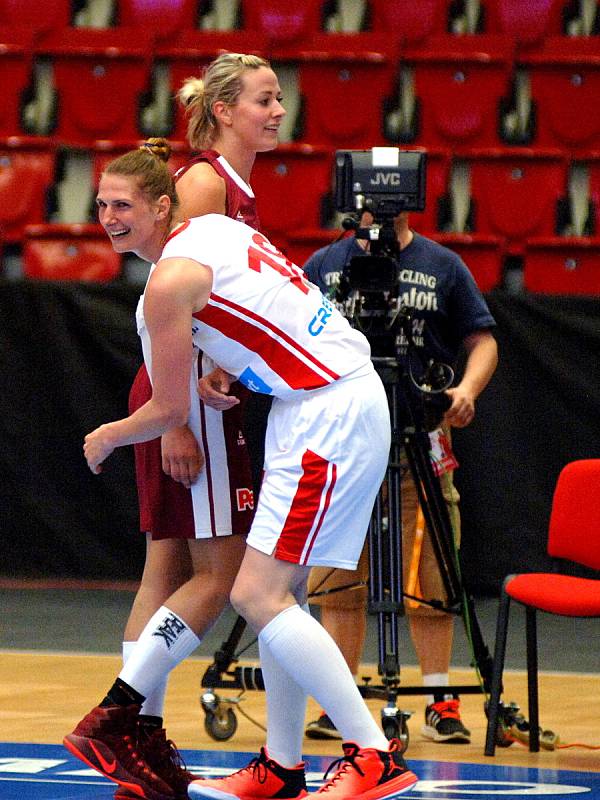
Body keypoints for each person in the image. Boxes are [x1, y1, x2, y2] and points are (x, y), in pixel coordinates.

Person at [66, 142, 419, 800]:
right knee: (280, 596)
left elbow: (168, 406)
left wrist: (108, 436)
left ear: (163, 207)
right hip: (306, 403)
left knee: (255, 593)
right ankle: (281, 767)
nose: (109, 218)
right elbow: (275, 302)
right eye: (102, 206)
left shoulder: (166, 287)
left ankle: (373, 755)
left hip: (328, 409)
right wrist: (236, 361)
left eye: (124, 206)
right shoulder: (218, 227)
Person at [64, 53, 286, 800]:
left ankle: (139, 747)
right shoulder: (203, 182)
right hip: (181, 399)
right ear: (223, 110)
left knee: (165, 570)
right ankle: (123, 719)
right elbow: (170, 299)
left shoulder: (236, 184)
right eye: (266, 98)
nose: (280, 110)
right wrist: (180, 417)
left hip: (186, 391)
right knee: (215, 578)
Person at [302, 210, 498, 745]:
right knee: (337, 576)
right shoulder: (326, 264)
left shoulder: (442, 265)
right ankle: (336, 701)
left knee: (433, 573)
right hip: (344, 440)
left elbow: (482, 339)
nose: (375, 210)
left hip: (419, 433)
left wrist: (467, 391)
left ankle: (440, 702)